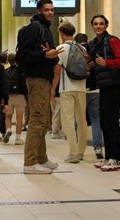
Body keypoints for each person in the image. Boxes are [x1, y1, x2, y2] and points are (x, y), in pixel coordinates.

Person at [16, 0, 63, 174]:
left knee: (43, 121)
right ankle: (29, 163)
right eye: (46, 10)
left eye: (52, 9)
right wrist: (45, 56)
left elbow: (44, 54)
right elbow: (23, 56)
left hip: (43, 79)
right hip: (36, 79)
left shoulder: (45, 29)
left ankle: (41, 158)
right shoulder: (35, 28)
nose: (50, 12)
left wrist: (53, 56)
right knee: (36, 121)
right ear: (38, 11)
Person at [87, 15, 120, 171]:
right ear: (92, 26)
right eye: (95, 24)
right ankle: (108, 157)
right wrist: (91, 64)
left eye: (101, 24)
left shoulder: (113, 41)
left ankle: (116, 158)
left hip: (115, 85)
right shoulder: (95, 44)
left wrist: (106, 63)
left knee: (111, 122)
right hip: (103, 86)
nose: (98, 26)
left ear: (106, 25)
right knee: (104, 122)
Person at [51, 21, 88, 163]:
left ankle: (72, 153)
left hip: (67, 88)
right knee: (82, 120)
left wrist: (53, 88)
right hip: (81, 87)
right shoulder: (82, 48)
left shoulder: (61, 48)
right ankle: (81, 152)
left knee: (68, 121)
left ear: (61, 33)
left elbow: (57, 71)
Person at [75, 33, 104, 159]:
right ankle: (98, 148)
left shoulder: (74, 52)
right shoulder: (93, 50)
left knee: (79, 120)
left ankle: (78, 150)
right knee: (96, 120)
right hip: (95, 90)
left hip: (80, 89)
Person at [3, 53, 27, 145]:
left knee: (8, 116)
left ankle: (8, 129)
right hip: (20, 96)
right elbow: (24, 84)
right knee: (19, 118)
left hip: (9, 96)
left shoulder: (5, 71)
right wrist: (26, 95)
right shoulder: (21, 70)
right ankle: (17, 138)